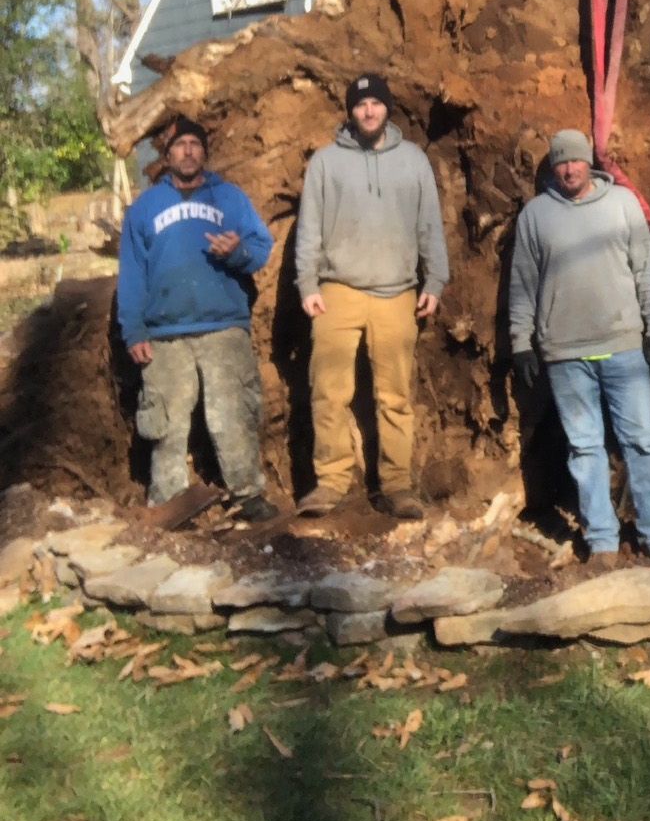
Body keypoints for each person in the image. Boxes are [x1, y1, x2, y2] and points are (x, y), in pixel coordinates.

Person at [509, 129, 650, 569]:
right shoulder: (536, 216)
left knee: (640, 441)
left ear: (589, 164)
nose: (569, 169)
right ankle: (602, 539)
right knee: (584, 448)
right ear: (553, 167)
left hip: (622, 343)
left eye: (576, 161)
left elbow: (645, 270)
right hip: (564, 351)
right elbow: (523, 283)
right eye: (561, 162)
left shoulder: (621, 204)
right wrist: (521, 341)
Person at [295, 73, 449, 519]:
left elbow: (429, 226)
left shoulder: (414, 160)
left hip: (396, 293)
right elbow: (310, 229)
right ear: (350, 111)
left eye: (375, 104)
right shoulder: (325, 163)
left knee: (395, 395)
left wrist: (434, 281)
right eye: (360, 105)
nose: (368, 111)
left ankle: (397, 486)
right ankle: (330, 482)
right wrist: (307, 285)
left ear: (387, 109)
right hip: (337, 291)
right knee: (328, 391)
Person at [117, 116, 277, 520]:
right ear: (166, 155)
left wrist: (237, 252)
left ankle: (247, 494)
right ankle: (169, 503)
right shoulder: (145, 208)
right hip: (165, 333)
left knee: (232, 415)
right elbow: (132, 274)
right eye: (179, 145)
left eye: (195, 144)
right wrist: (133, 329)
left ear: (204, 152)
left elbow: (261, 248)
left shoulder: (230, 199)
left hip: (223, 327)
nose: (187, 151)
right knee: (166, 423)